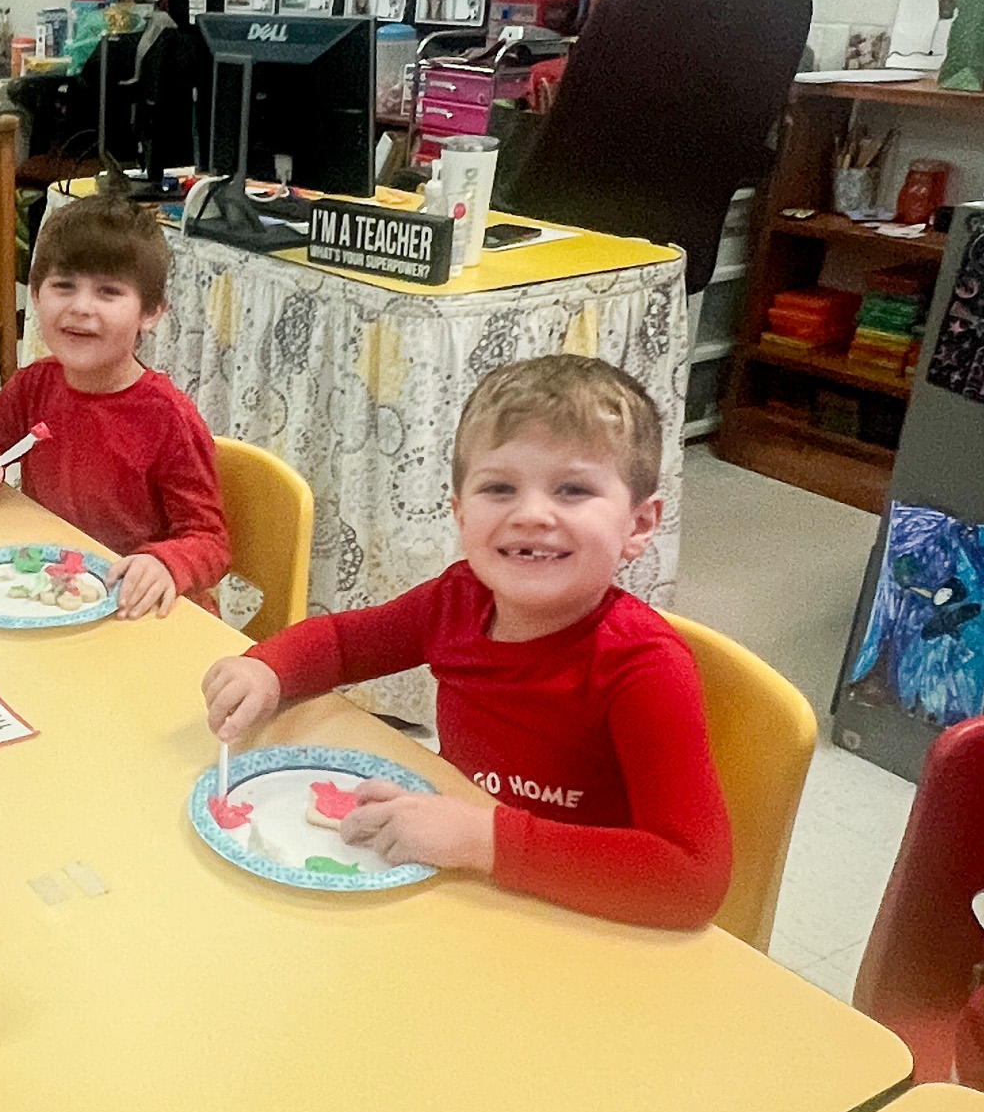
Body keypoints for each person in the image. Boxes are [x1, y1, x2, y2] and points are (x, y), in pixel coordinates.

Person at [202, 354, 732, 931]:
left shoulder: (646, 669)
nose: (532, 514)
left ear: (640, 525)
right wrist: (268, 669)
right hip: (461, 889)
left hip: (576, 923)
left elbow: (692, 879)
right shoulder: (457, 598)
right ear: (459, 513)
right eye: (499, 488)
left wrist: (481, 839)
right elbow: (345, 642)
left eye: (573, 490)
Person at [0, 193, 228, 620]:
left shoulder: (169, 417)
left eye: (109, 292)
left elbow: (209, 539)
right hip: (54, 593)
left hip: (141, 614)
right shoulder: (36, 384)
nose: (80, 307)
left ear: (151, 313)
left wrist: (167, 562)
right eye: (64, 285)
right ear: (35, 295)